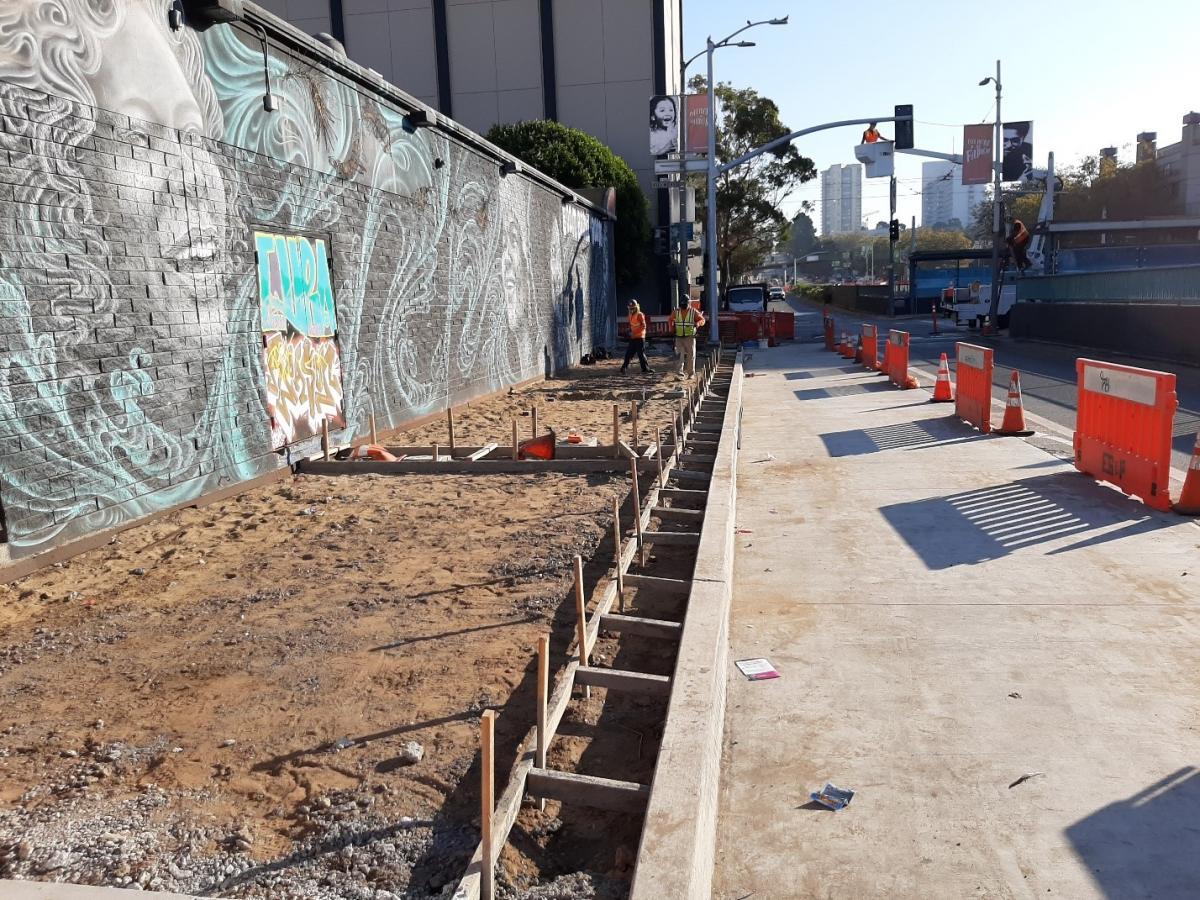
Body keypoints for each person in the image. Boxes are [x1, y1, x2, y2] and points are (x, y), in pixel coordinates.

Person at [668, 298, 706, 378]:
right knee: (679, 355)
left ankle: (691, 373)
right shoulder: (677, 311)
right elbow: (670, 319)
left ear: (688, 303)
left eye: (685, 304)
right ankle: (679, 373)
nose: (683, 306)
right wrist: (671, 329)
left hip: (690, 337)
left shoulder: (693, 311)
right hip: (679, 337)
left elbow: (702, 320)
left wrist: (698, 323)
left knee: (691, 355)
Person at [620, 300, 654, 374]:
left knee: (640, 354)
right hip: (633, 337)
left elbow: (643, 326)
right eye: (630, 308)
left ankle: (645, 369)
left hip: (640, 337)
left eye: (633, 308)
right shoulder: (630, 315)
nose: (631, 310)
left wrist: (634, 333)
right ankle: (623, 368)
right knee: (628, 353)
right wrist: (629, 330)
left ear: (636, 307)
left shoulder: (640, 315)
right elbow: (632, 325)